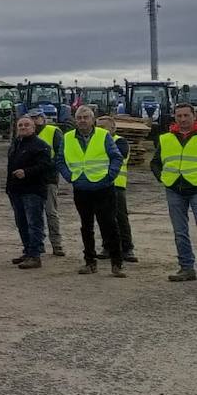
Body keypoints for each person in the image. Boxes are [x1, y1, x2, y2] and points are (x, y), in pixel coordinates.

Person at [57, 105, 124, 277]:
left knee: (109, 225)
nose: (82, 121)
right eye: (79, 118)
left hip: (103, 188)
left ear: (93, 119)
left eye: (86, 117)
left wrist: (110, 176)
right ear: (75, 120)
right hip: (81, 188)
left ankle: (116, 263)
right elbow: (60, 160)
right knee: (86, 227)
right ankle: (90, 262)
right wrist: (70, 177)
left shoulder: (103, 135)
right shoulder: (68, 137)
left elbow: (116, 157)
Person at [152, 100, 197, 282]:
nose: (183, 119)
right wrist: (163, 178)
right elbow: (155, 162)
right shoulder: (166, 138)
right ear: (174, 117)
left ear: (194, 116)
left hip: (195, 188)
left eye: (186, 115)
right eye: (179, 116)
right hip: (174, 189)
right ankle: (186, 268)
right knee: (180, 232)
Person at [5, 115, 53, 269]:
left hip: (33, 190)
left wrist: (26, 172)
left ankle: (35, 255)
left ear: (33, 128)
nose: (23, 128)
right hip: (16, 190)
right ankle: (27, 251)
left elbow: (46, 167)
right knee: (22, 223)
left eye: (26, 125)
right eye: (20, 125)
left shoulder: (41, 146)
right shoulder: (16, 144)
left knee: (34, 223)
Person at [97, 117, 138, 264]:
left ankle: (127, 248)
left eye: (104, 127)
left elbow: (119, 157)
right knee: (103, 218)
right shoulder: (94, 142)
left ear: (113, 128)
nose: (101, 130)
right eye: (99, 127)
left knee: (120, 218)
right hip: (100, 185)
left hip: (116, 185)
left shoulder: (120, 142)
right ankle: (108, 247)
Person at [31, 111, 68, 258]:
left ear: (43, 119)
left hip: (48, 179)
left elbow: (60, 154)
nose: (34, 120)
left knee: (51, 212)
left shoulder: (53, 131)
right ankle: (36, 245)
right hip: (32, 180)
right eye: (32, 118)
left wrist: (48, 168)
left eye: (37, 118)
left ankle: (56, 244)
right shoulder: (27, 132)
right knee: (33, 215)